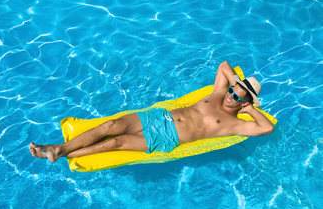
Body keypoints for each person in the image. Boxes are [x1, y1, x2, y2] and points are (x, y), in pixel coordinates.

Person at [29, 61, 274, 162]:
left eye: (237, 97)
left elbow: (266, 128)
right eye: (232, 90)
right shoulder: (220, 92)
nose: (231, 95)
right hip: (159, 116)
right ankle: (57, 148)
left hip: (168, 137)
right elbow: (223, 65)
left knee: (115, 141)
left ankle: (64, 154)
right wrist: (235, 81)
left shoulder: (235, 124)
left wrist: (251, 109)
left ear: (244, 103)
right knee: (110, 126)